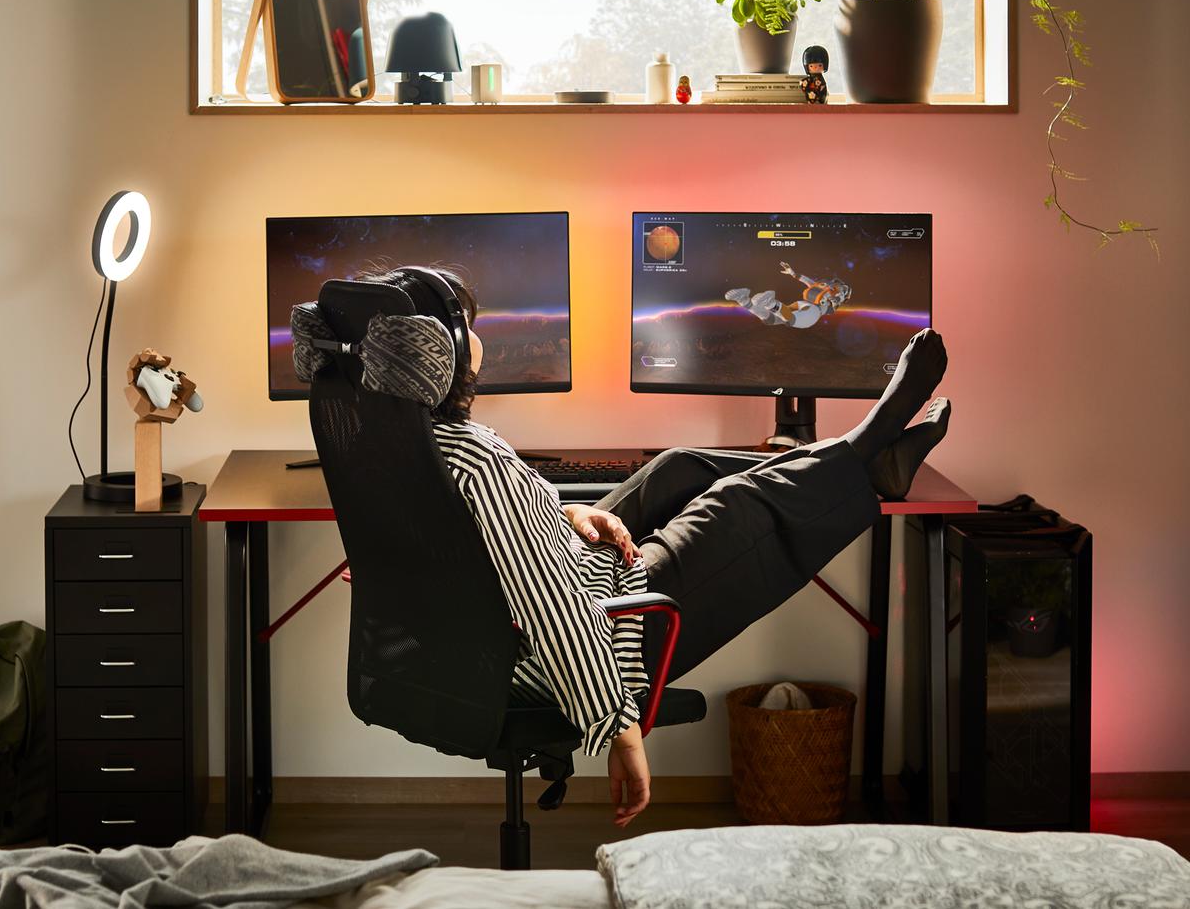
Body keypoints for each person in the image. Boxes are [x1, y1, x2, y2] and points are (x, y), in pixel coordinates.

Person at [360, 267, 951, 830]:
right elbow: (550, 610)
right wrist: (621, 728)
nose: (478, 334)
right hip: (593, 632)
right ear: (443, 351)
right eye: (468, 324)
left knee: (677, 467)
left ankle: (866, 461)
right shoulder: (475, 459)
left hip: (528, 600)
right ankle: (870, 446)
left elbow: (474, 542)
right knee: (736, 506)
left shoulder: (389, 443)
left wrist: (561, 511)